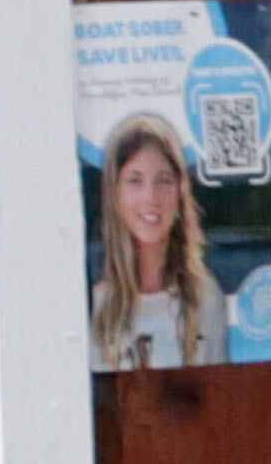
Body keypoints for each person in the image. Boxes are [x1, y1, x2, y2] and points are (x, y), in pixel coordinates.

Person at [89, 112, 223, 370]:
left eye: (163, 180)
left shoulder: (206, 298)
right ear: (115, 194)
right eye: (135, 181)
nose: (150, 197)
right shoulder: (95, 306)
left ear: (180, 193)